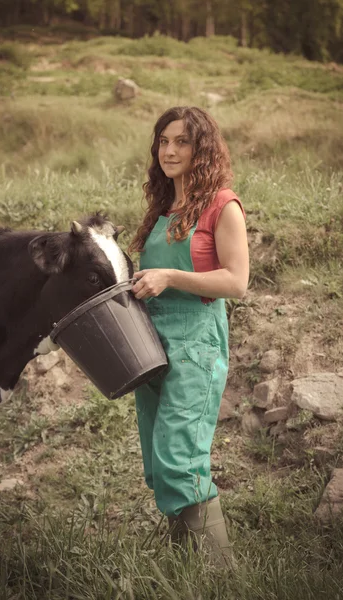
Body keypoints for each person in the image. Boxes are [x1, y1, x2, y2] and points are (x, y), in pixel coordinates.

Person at [130, 106, 249, 567]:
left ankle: (219, 575)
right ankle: (188, 568)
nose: (170, 150)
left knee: (181, 456)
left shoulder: (223, 205)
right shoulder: (162, 208)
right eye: (164, 141)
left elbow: (237, 282)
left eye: (182, 141)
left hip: (196, 345)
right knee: (159, 462)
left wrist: (170, 277)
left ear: (202, 149)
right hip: (150, 347)